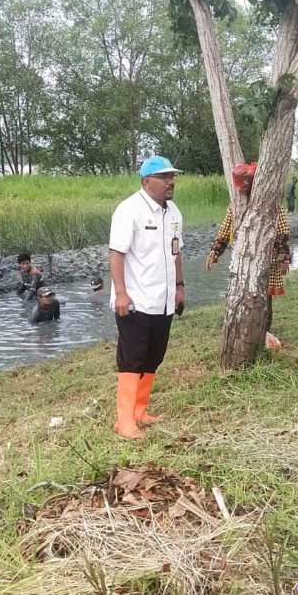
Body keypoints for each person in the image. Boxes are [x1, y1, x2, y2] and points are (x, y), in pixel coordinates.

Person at [108, 155, 185, 439]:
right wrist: (121, 294)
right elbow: (117, 253)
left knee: (154, 355)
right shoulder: (129, 210)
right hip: (136, 299)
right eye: (165, 177)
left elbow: (176, 251)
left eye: (172, 176)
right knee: (132, 358)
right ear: (147, 181)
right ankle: (124, 420)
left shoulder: (174, 212)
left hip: (163, 299)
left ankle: (141, 410)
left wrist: (179, 286)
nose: (171, 182)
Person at [206, 162, 291, 333]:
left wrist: (283, 259)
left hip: (266, 259)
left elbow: (282, 234)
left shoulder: (272, 205)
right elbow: (224, 232)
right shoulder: (236, 206)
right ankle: (243, 331)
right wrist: (215, 252)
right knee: (243, 297)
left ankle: (264, 332)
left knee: (264, 298)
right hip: (242, 261)